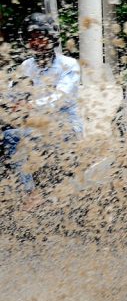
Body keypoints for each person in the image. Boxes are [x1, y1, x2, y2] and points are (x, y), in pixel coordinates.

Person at [2, 13, 83, 200]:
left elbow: (60, 98)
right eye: (31, 38)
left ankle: (29, 193)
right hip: (35, 126)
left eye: (40, 36)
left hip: (65, 127)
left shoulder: (69, 65)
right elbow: (12, 93)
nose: (36, 42)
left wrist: (29, 105)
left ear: (51, 37)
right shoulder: (26, 66)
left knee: (11, 137)